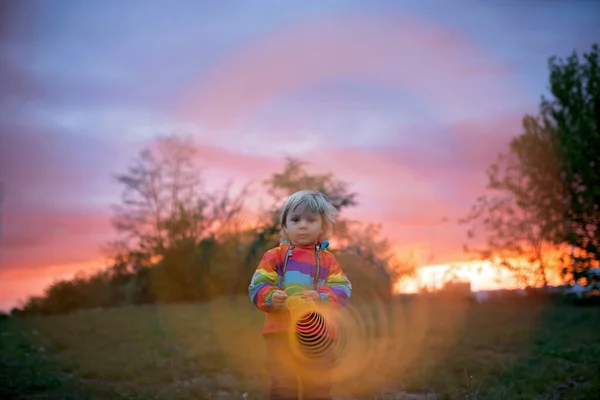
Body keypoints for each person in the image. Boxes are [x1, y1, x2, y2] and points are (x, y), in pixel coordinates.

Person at [248, 189, 352, 400]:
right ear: (285, 226)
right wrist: (271, 297)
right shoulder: (274, 256)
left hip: (318, 335)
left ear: (322, 226)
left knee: (318, 389)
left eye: (310, 220)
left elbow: (343, 288)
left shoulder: (327, 260)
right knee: (283, 387)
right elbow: (257, 284)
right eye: (295, 219)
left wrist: (321, 296)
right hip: (280, 332)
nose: (302, 225)